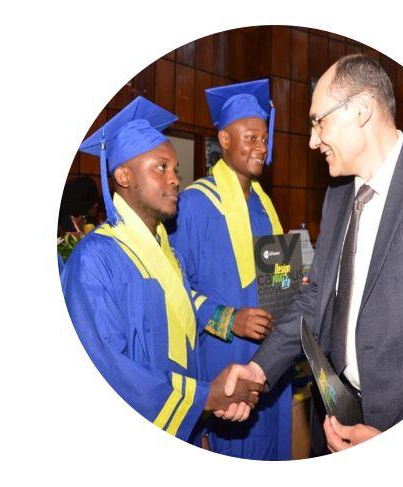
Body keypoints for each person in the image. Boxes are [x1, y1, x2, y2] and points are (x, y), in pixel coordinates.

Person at [227, 54, 403, 453]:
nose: (313, 140)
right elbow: (313, 297)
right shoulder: (337, 196)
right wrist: (258, 367)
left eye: (320, 121)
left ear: (363, 111)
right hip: (335, 414)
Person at [61, 96, 262, 445]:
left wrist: (205, 408)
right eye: (161, 168)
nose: (175, 180)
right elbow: (108, 369)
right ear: (123, 175)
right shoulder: (95, 260)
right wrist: (205, 397)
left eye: (176, 171)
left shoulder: (169, 256)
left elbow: (185, 326)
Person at [169, 79, 293, 460]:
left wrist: (293, 285)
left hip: (271, 361)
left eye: (264, 138)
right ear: (224, 139)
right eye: (251, 137)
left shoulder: (265, 206)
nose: (261, 146)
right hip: (224, 359)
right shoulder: (192, 205)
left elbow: (278, 280)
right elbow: (173, 289)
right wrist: (228, 318)